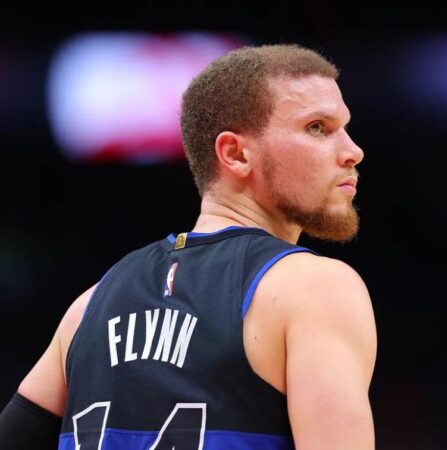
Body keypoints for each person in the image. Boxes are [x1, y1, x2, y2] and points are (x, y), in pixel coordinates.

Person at [0, 43, 377, 450]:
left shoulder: (90, 305)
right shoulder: (314, 288)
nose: (353, 151)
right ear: (235, 153)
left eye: (345, 127)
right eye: (317, 128)